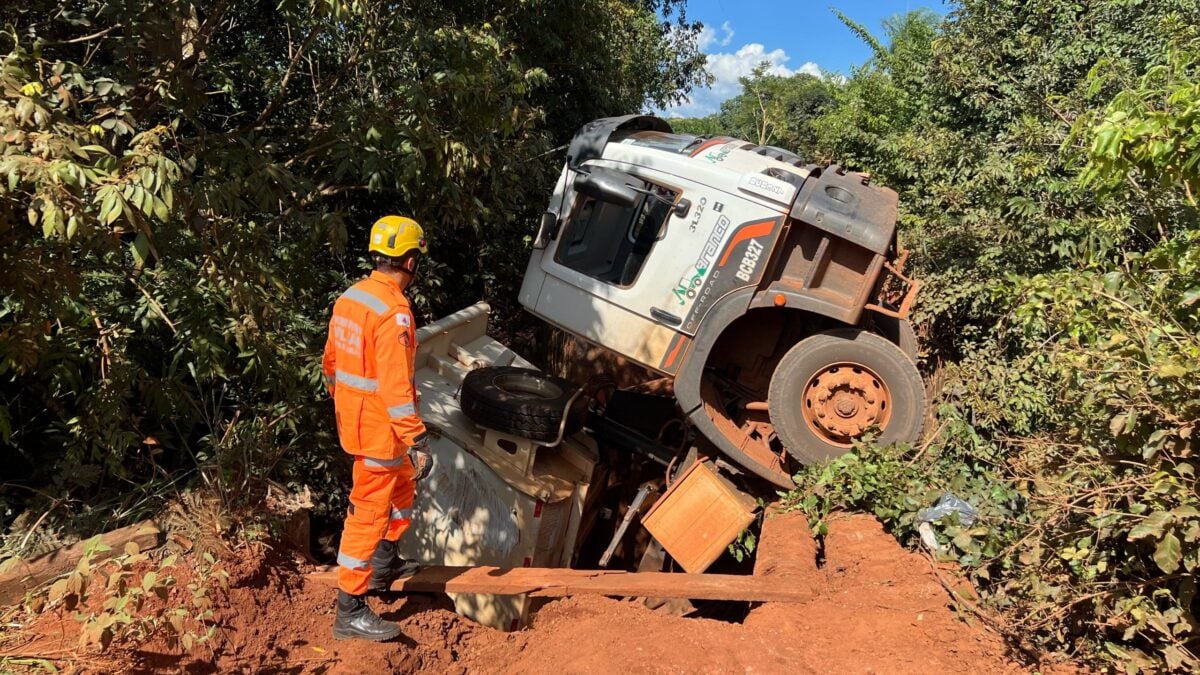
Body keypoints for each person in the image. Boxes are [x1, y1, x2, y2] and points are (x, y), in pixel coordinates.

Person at [321, 215, 433, 641]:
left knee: (402, 488)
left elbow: (331, 364)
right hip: (382, 431)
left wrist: (349, 407)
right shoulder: (394, 313)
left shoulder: (352, 297)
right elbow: (395, 384)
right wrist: (415, 437)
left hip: (360, 422)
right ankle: (350, 609)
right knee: (368, 512)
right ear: (409, 260)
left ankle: (386, 565)